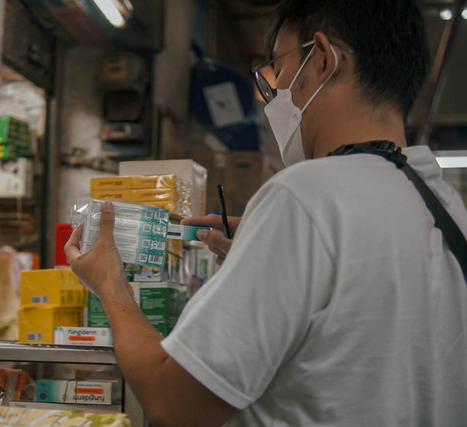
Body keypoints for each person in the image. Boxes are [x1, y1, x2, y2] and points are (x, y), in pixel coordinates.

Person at [65, 0, 467, 425]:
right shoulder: (444, 207)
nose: (273, 94)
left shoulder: (307, 196)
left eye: (279, 69)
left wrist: (110, 285)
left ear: (324, 59)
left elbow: (175, 405)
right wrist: (277, 252)